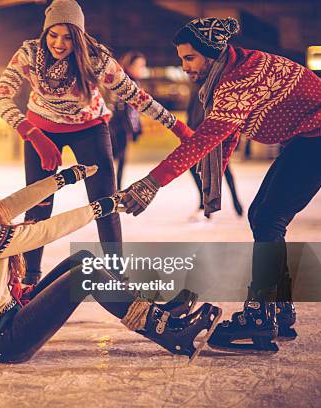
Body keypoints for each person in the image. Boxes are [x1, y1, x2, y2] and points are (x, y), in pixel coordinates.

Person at [120, 17, 320, 353]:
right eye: (182, 59)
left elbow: (205, 140)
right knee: (262, 216)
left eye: (189, 58)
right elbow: (224, 137)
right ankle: (278, 307)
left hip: (317, 138)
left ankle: (259, 318)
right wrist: (214, 186)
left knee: (269, 220)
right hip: (307, 138)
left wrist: (152, 183)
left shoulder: (237, 80)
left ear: (211, 54)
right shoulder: (235, 67)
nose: (184, 67)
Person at [0, 154, 221, 363]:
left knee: (82, 260)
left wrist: (63, 179)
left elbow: (14, 203)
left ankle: (161, 312)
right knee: (85, 274)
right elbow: (45, 231)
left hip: (7, 322)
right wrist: (102, 207)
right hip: (5, 341)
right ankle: (169, 333)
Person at [0, 0, 193, 285]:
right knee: (38, 206)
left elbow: (136, 96)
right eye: (53, 34)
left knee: (105, 203)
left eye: (68, 36)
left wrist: (177, 126)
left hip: (89, 128)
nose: (59, 43)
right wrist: (32, 133)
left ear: (79, 36)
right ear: (45, 32)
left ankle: (116, 276)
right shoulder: (28, 54)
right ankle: (29, 278)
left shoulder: (97, 60)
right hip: (41, 129)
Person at [186, 83, 243, 220]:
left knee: (222, 168)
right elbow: (191, 111)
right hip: (196, 133)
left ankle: (234, 201)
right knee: (195, 168)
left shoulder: (214, 83)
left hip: (211, 133)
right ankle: (205, 204)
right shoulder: (196, 86)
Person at [108, 51, 145, 190]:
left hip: (122, 126)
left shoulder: (134, 82)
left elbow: (134, 111)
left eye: (143, 66)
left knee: (120, 159)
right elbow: (124, 108)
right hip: (117, 126)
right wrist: (132, 128)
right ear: (130, 66)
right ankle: (112, 188)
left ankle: (115, 188)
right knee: (115, 158)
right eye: (139, 66)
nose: (142, 69)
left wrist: (136, 128)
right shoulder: (126, 82)